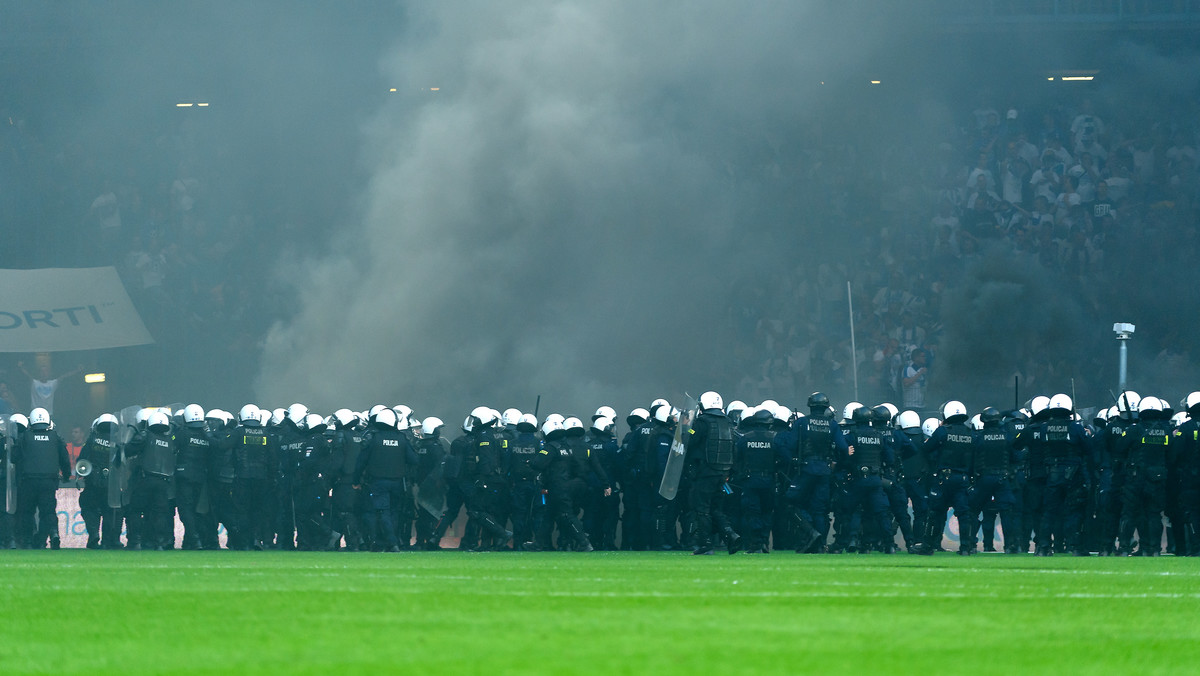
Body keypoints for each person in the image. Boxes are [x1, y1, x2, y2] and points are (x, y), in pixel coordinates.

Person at [685, 391, 742, 555]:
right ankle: (731, 534)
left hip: (705, 473)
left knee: (701, 508)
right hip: (723, 474)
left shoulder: (701, 422)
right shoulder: (729, 423)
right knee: (716, 508)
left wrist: (687, 428)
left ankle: (706, 544)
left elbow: (690, 438)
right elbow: (734, 449)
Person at [354, 409, 418, 552]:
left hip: (377, 482)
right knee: (394, 512)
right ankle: (389, 541)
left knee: (383, 511)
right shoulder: (401, 438)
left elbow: (360, 462)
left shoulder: (373, 438)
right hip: (398, 482)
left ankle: (390, 542)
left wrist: (356, 480)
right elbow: (414, 459)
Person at [13, 408, 70, 548]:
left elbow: (14, 457)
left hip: (29, 481)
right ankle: (49, 536)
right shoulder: (55, 437)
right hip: (49, 481)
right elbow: (65, 459)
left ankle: (27, 540)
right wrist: (67, 475)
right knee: (48, 511)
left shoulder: (25, 437)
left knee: (27, 512)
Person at [76, 414, 123, 549]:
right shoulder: (117, 443)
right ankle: (107, 540)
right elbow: (120, 463)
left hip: (92, 481)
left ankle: (93, 534)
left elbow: (82, 459)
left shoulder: (91, 440)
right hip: (111, 483)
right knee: (109, 511)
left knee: (89, 508)